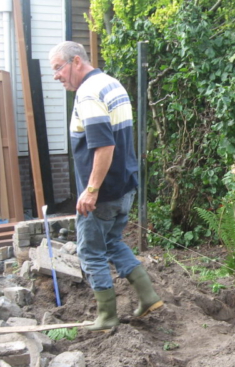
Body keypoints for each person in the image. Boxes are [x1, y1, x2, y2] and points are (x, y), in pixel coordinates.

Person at [49, 41, 163, 331]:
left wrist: (91, 190)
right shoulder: (111, 84)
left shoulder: (88, 93)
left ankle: (106, 315)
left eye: (58, 68)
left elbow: (104, 146)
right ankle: (148, 296)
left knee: (90, 252)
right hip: (125, 186)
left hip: (103, 193)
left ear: (76, 61)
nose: (56, 76)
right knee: (112, 242)